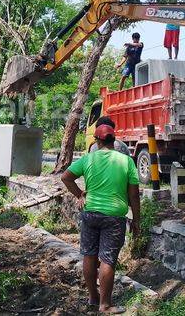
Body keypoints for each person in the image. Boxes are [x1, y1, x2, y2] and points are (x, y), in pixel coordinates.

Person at [61, 124, 140, 314]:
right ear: (114, 140)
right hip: (114, 217)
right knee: (107, 259)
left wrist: (80, 194)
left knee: (89, 255)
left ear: (97, 141)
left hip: (90, 214)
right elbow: (134, 195)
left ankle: (93, 297)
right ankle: (104, 305)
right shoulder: (126, 161)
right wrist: (137, 219)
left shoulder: (88, 159)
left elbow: (65, 177)